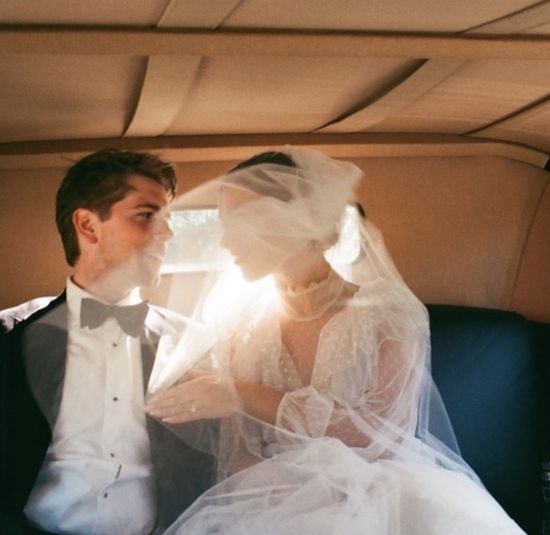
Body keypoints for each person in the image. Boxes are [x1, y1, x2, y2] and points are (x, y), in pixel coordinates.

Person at [146, 148, 525, 534]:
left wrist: (242, 393)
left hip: (384, 501)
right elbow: (239, 452)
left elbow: (380, 439)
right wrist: (285, 504)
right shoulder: (237, 323)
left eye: (243, 219)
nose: (226, 241)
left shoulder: (390, 315)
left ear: (300, 220)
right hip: (267, 504)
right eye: (222, 223)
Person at [0, 149, 214, 535]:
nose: (168, 233)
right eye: (148, 216)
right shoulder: (8, 338)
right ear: (88, 225)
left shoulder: (191, 345)